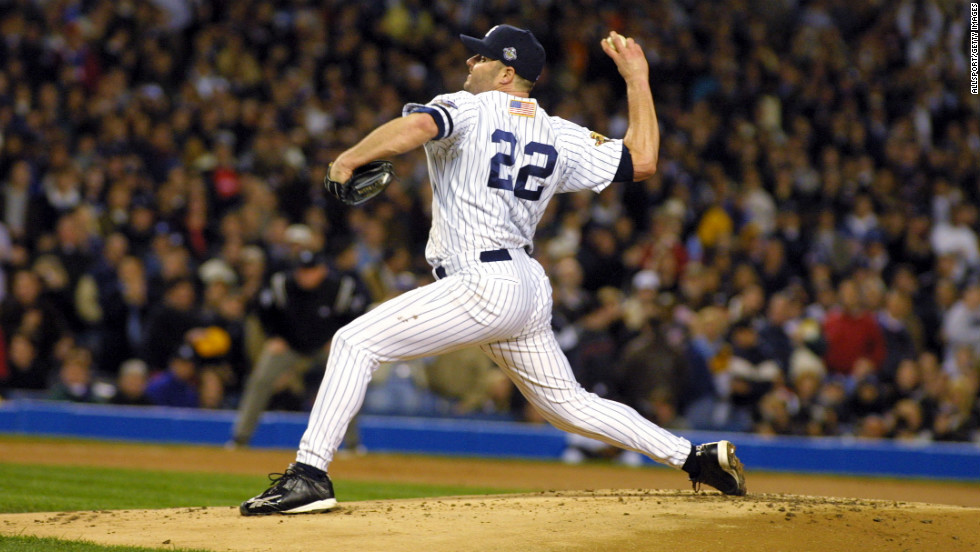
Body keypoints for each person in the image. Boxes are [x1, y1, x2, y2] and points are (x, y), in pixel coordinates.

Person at [240, 25, 746, 516]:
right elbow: (643, 160)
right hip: (524, 284)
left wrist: (346, 159)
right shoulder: (559, 132)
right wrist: (637, 78)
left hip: (482, 282)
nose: (470, 62)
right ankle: (694, 457)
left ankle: (310, 474)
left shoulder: (469, 107)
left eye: (481, 57)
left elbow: (419, 127)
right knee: (567, 404)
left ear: (507, 73)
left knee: (355, 342)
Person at [228, 249, 370, 447]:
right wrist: (273, 336)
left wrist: (341, 339)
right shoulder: (282, 284)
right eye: (302, 270)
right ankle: (240, 438)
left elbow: (357, 314)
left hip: (328, 347)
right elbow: (263, 311)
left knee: (347, 384)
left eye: (310, 270)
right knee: (260, 380)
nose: (305, 275)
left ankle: (353, 444)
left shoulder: (340, 287)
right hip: (289, 346)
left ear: (322, 270)